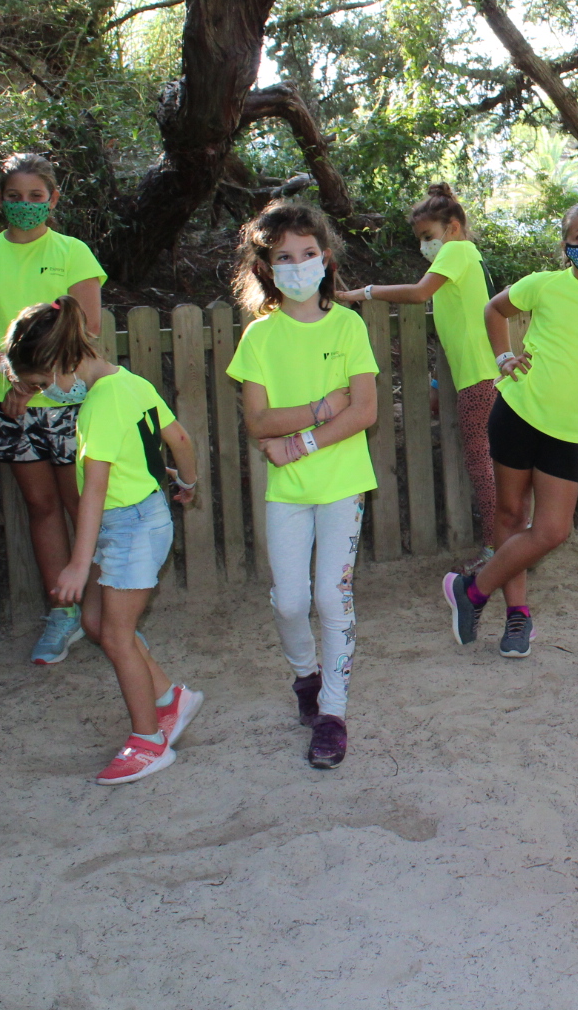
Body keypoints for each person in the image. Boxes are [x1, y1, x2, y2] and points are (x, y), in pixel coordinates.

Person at [438, 201, 578, 659]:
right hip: (517, 412)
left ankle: (472, 590)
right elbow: (493, 310)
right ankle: (517, 615)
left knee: (553, 529)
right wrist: (504, 357)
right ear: (566, 247)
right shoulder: (543, 285)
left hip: (565, 432)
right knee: (509, 515)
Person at [2, 296, 201, 785]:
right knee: (96, 622)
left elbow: (91, 495)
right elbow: (178, 438)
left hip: (129, 526)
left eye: (45, 383)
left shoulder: (98, 407)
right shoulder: (128, 381)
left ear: (61, 362)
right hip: (135, 519)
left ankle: (149, 741)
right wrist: (186, 483)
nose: (48, 393)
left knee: (115, 634)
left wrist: (76, 562)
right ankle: (171, 699)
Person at [227, 201, 379, 770]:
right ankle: (305, 678)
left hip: (341, 483)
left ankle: (333, 715)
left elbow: (362, 411)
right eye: (284, 257)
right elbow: (258, 422)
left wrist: (303, 442)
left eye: (308, 254)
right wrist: (319, 408)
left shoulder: (348, 325)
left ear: (326, 259)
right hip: (286, 492)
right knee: (289, 603)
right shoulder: (259, 338)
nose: (297, 265)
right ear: (266, 268)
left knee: (329, 599)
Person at [0, 154, 106, 666]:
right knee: (40, 508)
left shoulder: (73, 252)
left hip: (69, 400)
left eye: (36, 197)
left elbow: (88, 330)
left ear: (53, 200)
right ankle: (63, 613)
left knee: (82, 506)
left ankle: (103, 612)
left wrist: (37, 381)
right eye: (14, 197)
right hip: (9, 404)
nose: (25, 206)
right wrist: (11, 373)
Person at [345, 183, 496, 549]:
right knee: (494, 466)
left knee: (484, 469)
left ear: (453, 228)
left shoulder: (456, 252)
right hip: (486, 376)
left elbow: (417, 293)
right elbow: (459, 331)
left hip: (480, 381)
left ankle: (499, 550)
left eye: (428, 236)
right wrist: (434, 385)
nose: (423, 246)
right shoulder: (467, 260)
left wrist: (365, 292)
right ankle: (506, 545)